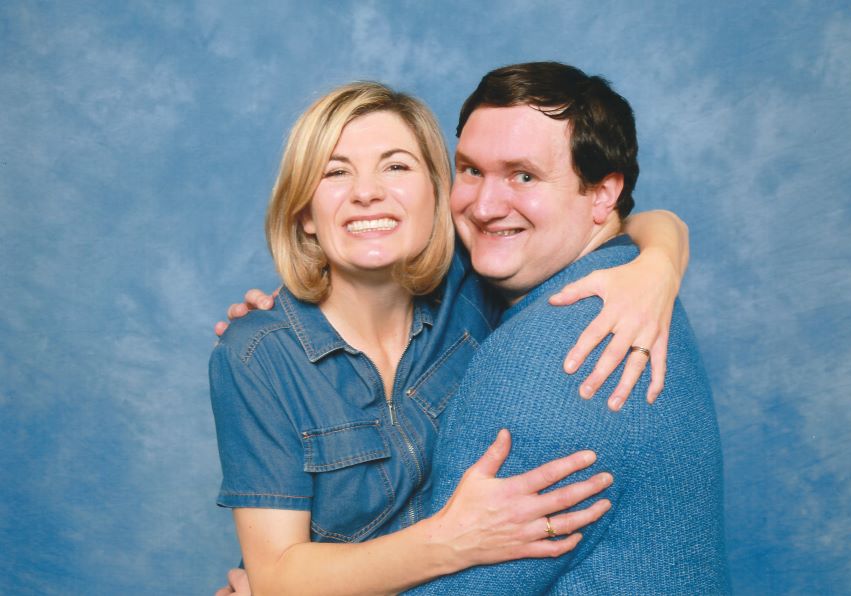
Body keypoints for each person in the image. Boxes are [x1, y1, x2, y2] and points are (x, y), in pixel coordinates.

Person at [211, 77, 692, 594]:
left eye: (396, 166)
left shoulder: (474, 281)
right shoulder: (257, 355)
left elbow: (614, 219)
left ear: (437, 195)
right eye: (335, 172)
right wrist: (448, 541)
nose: (367, 192)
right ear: (305, 212)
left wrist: (659, 263)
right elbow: (276, 577)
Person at [403, 62, 730, 594]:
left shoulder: (557, 356)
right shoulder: (627, 282)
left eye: (523, 176)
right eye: (471, 170)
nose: (484, 206)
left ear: (602, 194)